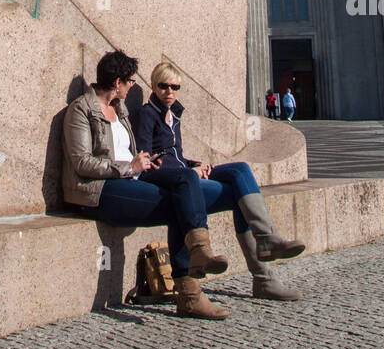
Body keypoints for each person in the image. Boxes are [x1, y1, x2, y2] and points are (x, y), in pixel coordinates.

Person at [62, 50, 231, 319]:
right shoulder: (81, 110)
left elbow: (128, 151)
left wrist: (144, 160)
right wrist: (129, 167)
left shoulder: (120, 110)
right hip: (97, 191)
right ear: (118, 82)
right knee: (180, 202)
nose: (132, 87)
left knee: (184, 180)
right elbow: (82, 163)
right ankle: (189, 292)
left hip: (129, 180)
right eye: (130, 81)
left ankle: (199, 251)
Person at [134, 63, 305, 302]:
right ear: (153, 86)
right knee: (238, 195)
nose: (169, 92)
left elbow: (176, 154)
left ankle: (267, 238)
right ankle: (263, 277)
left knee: (240, 171)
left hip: (185, 172)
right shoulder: (147, 114)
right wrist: (190, 170)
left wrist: (197, 164)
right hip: (173, 180)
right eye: (164, 86)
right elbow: (148, 159)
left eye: (175, 87)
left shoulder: (173, 114)